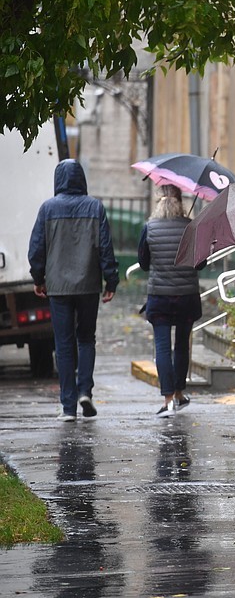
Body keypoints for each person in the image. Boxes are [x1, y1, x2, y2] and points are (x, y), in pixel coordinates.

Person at [28, 158, 118, 422]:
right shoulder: (95, 207)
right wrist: (110, 281)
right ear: (82, 179)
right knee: (87, 338)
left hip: (58, 287)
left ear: (58, 179)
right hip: (89, 285)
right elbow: (105, 247)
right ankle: (84, 392)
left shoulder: (48, 209)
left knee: (64, 344)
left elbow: (37, 248)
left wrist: (38, 277)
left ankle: (68, 407)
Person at [137, 184, 203, 418]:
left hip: (160, 297)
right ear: (180, 202)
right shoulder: (190, 228)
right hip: (186, 297)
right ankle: (179, 393)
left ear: (159, 202)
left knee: (162, 348)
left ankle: (167, 401)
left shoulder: (150, 227)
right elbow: (201, 264)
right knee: (182, 346)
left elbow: (144, 263)